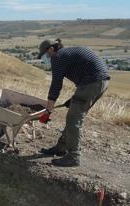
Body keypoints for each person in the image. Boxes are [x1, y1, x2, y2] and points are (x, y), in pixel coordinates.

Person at [37, 38, 110, 167]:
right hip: (101, 81)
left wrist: (48, 111)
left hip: (92, 82)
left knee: (73, 119)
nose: (45, 58)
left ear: (51, 49)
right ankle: (61, 147)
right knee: (74, 114)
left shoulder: (58, 57)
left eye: (44, 55)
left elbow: (56, 85)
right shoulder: (66, 53)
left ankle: (73, 157)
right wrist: (74, 100)